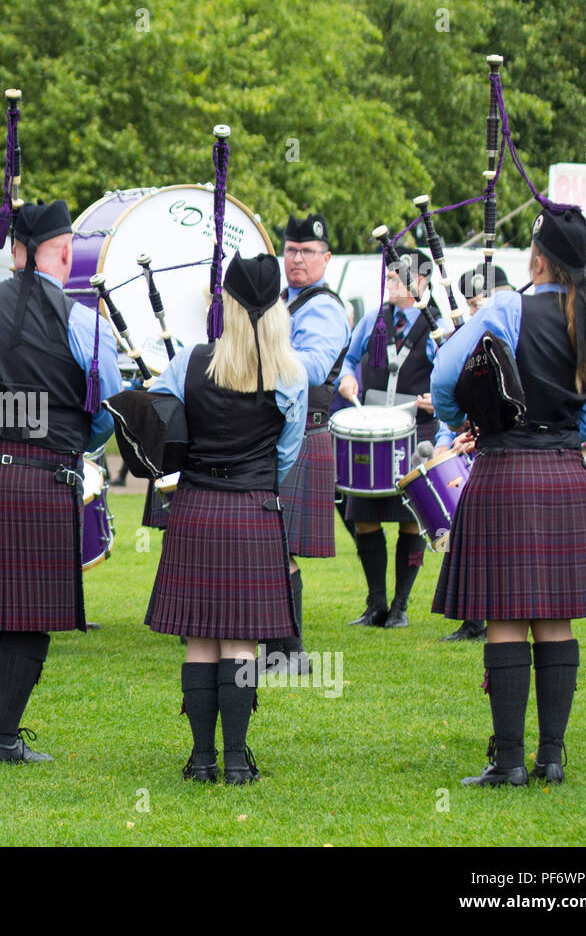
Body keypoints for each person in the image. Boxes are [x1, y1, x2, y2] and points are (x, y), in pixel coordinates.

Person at [430, 206, 586, 786]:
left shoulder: (508, 306)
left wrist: (467, 418)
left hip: (507, 469)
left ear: (538, 256)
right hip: (566, 476)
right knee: (555, 618)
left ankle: (508, 761)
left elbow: (443, 376)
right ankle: (551, 758)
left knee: (507, 615)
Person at [0, 199, 122, 763]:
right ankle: (1, 737)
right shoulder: (83, 320)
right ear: (63, 252)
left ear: (17, 252)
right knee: (30, 610)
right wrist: (74, 445)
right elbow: (106, 408)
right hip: (45, 476)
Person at [141, 254, 305, 784]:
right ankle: (236, 760)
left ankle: (201, 759)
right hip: (255, 509)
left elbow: (158, 416)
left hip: (195, 509)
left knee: (200, 638)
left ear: (227, 305)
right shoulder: (292, 373)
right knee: (239, 639)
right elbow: (287, 453)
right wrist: (253, 476)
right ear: (277, 307)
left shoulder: (189, 361)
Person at [337, 249, 446, 629]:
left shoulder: (436, 324)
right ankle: (375, 604)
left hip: (416, 430)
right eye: (389, 277)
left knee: (410, 521)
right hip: (371, 430)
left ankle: (400, 606)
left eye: (398, 278)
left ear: (421, 282)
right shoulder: (372, 319)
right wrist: (347, 377)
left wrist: (441, 397)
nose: (391, 283)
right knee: (365, 518)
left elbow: (449, 371)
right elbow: (349, 360)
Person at [268, 214, 349, 672]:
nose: (297, 259)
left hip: (305, 430)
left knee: (280, 542)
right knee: (272, 539)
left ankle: (289, 651)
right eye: (292, 250)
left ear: (326, 258)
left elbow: (315, 368)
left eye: (308, 251)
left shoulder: (323, 308)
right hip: (284, 431)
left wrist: (257, 356)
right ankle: (277, 643)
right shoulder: (284, 300)